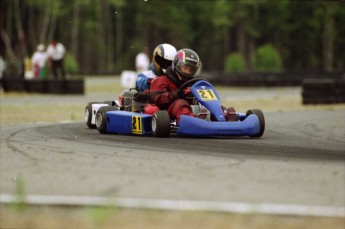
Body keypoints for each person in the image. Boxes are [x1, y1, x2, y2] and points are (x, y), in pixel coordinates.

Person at [149, 48, 238, 122]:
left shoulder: (193, 83)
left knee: (211, 104)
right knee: (181, 103)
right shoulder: (162, 80)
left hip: (193, 109)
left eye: (191, 70)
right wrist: (174, 95)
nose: (188, 72)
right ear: (177, 65)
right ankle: (196, 120)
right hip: (168, 112)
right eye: (185, 68)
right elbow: (156, 99)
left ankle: (226, 117)